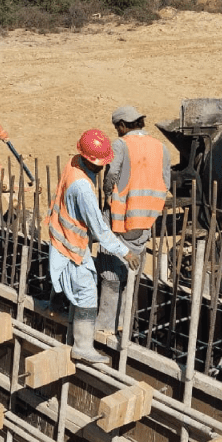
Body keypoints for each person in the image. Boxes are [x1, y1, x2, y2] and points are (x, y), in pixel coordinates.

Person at [44, 129, 141, 364]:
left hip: (61, 238)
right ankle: (83, 347)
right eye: (102, 163)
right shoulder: (83, 189)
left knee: (72, 284)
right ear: (91, 161)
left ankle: (58, 304)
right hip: (72, 246)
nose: (104, 167)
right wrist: (125, 252)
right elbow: (99, 229)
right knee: (87, 293)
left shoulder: (74, 163)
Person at [96, 105, 171, 339]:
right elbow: (166, 181)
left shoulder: (121, 145)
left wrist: (108, 193)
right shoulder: (161, 147)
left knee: (111, 271)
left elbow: (111, 176)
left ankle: (106, 325)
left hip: (121, 217)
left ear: (122, 125)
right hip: (146, 221)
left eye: (116, 127)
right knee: (133, 269)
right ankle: (124, 324)